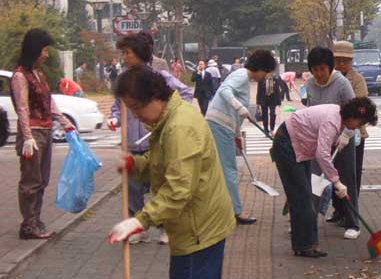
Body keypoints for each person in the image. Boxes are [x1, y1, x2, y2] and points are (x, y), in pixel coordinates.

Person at [108, 67, 234, 279]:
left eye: (137, 108)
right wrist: (139, 164)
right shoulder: (169, 120)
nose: (137, 117)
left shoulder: (179, 127)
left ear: (155, 98)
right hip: (205, 221)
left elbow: (179, 190)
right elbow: (166, 164)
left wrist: (140, 220)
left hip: (196, 227)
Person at [108, 32, 194, 244]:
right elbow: (117, 106)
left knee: (161, 185)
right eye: (123, 53)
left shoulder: (160, 78)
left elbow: (185, 94)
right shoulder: (124, 81)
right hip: (131, 141)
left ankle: (165, 226)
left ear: (139, 54)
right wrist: (114, 118)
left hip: (152, 141)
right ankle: (137, 227)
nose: (124, 57)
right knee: (133, 188)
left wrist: (166, 118)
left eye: (127, 53)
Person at [271, 97, 378, 258]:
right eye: (360, 123)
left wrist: (341, 139)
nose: (358, 127)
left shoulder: (339, 118)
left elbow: (325, 143)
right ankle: (305, 245)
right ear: (353, 117)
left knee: (305, 195)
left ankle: (305, 245)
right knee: (303, 196)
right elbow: (322, 155)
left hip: (298, 145)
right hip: (288, 144)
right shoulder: (333, 121)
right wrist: (336, 181)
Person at [10, 28, 74, 239]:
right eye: (44, 50)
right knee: (31, 180)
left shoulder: (39, 74)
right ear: (34, 50)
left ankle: (36, 220)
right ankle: (28, 224)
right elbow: (22, 108)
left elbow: (49, 101)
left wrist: (63, 121)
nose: (46, 54)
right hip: (33, 134)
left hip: (45, 130)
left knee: (42, 179)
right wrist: (27, 136)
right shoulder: (21, 76)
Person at [206, 49, 277, 225]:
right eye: (266, 72)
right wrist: (239, 107)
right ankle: (236, 211)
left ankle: (224, 209)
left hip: (226, 127)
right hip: (219, 125)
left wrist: (237, 134)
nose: (265, 76)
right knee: (229, 170)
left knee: (223, 170)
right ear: (260, 68)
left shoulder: (244, 79)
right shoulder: (241, 75)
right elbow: (224, 91)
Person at [304, 47, 360, 239]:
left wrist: (347, 134)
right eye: (315, 69)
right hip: (319, 141)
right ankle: (308, 222)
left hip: (342, 140)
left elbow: (355, 113)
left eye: (322, 69)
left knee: (346, 181)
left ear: (330, 67)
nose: (319, 74)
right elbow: (309, 110)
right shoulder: (309, 84)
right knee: (315, 181)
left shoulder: (342, 84)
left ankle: (353, 222)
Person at [333, 40, 369, 201]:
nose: (341, 63)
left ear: (351, 61)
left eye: (345, 60)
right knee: (334, 172)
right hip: (333, 132)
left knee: (351, 174)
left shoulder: (357, 79)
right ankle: (338, 210)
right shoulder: (330, 78)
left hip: (353, 133)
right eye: (338, 60)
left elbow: (361, 106)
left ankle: (350, 210)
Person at [256, 68, 289, 133]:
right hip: (264, 99)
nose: (269, 74)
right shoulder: (261, 80)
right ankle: (265, 129)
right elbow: (259, 91)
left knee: (272, 113)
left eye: (270, 72)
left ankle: (272, 129)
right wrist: (258, 102)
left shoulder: (275, 80)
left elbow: (277, 91)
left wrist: (279, 102)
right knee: (264, 115)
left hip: (272, 99)